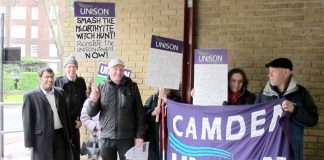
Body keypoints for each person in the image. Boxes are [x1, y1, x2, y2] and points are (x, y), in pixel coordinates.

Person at [255, 58, 318, 160]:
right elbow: (253, 120)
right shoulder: (263, 94)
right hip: (268, 150)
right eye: (269, 72)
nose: (269, 75)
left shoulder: (301, 93)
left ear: (286, 72)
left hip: (292, 150)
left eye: (273, 71)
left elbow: (313, 120)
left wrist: (295, 110)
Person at [85, 58, 145, 160]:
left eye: (121, 69)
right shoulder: (101, 87)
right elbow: (91, 112)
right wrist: (93, 101)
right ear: (108, 71)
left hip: (127, 137)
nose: (118, 72)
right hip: (106, 138)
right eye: (115, 69)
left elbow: (139, 112)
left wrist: (139, 135)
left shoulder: (132, 87)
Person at [22, 67, 73, 160]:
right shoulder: (30, 96)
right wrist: (29, 143)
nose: (50, 79)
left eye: (52, 77)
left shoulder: (60, 93)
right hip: (41, 139)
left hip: (60, 136)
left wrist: (69, 134)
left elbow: (66, 115)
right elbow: (27, 121)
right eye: (47, 77)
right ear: (40, 78)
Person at [55, 55, 87, 160]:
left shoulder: (81, 82)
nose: (71, 69)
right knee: (62, 151)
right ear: (65, 68)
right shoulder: (58, 81)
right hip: (61, 123)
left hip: (75, 123)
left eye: (73, 66)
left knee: (75, 151)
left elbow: (84, 103)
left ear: (77, 68)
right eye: (69, 66)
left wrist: (81, 120)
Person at [143, 88, 181, 160]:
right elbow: (143, 115)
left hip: (170, 138)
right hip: (154, 138)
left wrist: (167, 100)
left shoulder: (176, 99)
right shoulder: (153, 98)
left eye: (167, 86)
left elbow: (181, 112)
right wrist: (151, 113)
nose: (165, 88)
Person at [80, 79, 101, 160]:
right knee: (93, 157)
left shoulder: (107, 100)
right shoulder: (89, 101)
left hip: (108, 136)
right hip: (95, 136)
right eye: (94, 86)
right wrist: (95, 126)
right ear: (91, 88)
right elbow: (84, 118)